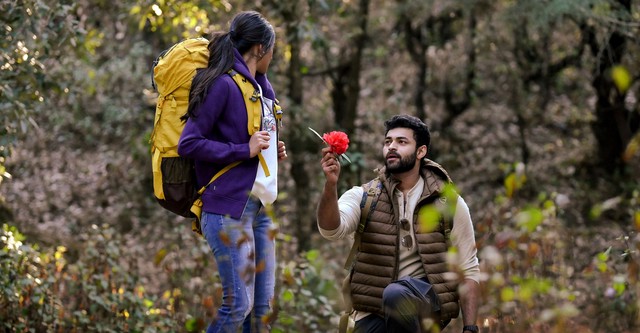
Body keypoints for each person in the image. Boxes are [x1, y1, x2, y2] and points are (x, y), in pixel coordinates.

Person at [316, 115, 480, 333]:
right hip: (372, 312)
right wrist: (330, 185)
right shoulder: (366, 196)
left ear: (421, 151)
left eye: (402, 142)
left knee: (395, 294)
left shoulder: (448, 203)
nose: (392, 147)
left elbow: (469, 268)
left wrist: (470, 328)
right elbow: (330, 230)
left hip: (425, 308)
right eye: (388, 142)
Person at [178, 11, 286, 333]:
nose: (273, 56)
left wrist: (270, 152)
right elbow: (190, 143)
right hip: (226, 209)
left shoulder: (263, 92)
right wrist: (245, 150)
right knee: (239, 304)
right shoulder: (223, 85)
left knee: (261, 311)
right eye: (272, 49)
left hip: (260, 210)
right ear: (259, 48)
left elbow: (252, 140)